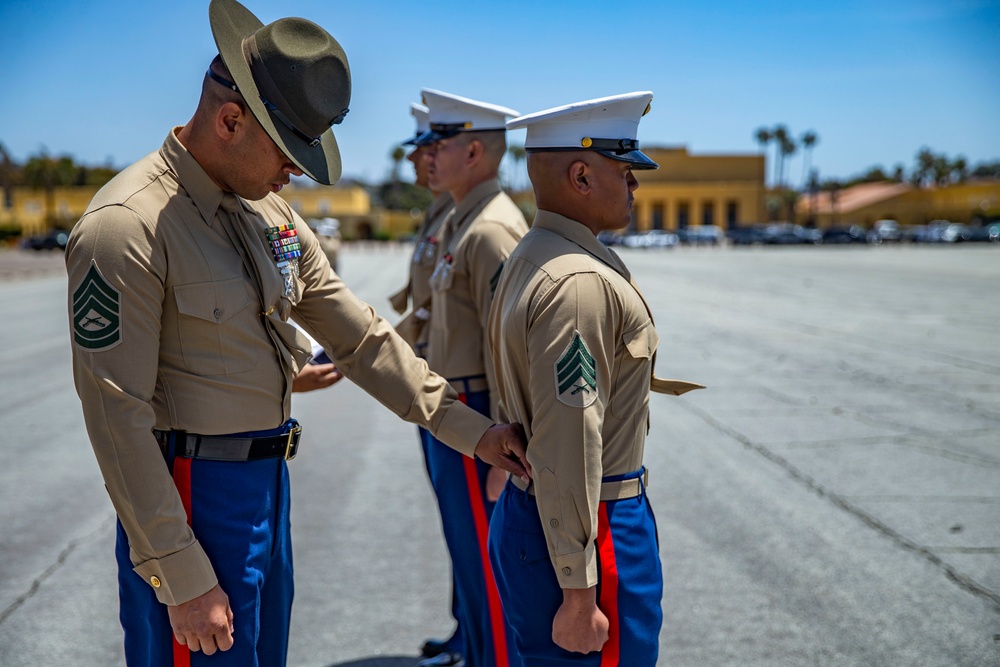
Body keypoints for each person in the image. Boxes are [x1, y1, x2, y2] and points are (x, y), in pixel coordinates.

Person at [64, 2, 529, 666]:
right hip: (192, 499)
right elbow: (117, 418)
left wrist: (469, 429)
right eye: (290, 154)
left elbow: (358, 336)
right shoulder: (126, 228)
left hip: (265, 493)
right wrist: (180, 571)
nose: (297, 174)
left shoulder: (268, 215)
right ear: (230, 120)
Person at [487, 93, 703, 665]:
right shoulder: (578, 283)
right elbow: (569, 435)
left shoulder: (534, 253)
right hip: (591, 526)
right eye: (625, 171)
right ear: (581, 175)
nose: (636, 186)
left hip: (546, 513)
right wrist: (580, 592)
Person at [413, 89, 529, 667]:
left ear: (476, 151)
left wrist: (507, 445)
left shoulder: (490, 229)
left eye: (441, 142)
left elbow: (512, 347)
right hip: (455, 407)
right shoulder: (464, 219)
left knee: (488, 562)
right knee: (469, 550)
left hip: (480, 413)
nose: (428, 155)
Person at [387, 102, 464, 664]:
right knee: (459, 531)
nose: (419, 160)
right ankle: (470, 633)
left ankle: (484, 644)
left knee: (475, 536)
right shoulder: (442, 214)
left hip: (460, 395)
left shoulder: (470, 221)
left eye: (428, 148)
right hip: (433, 383)